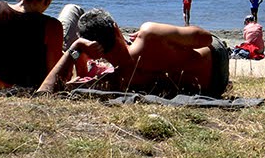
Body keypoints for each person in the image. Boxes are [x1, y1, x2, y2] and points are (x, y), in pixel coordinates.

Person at [36, 7, 229, 98]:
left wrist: (75, 49)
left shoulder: (114, 79)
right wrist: (168, 36)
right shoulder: (149, 33)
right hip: (216, 59)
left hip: (211, 88)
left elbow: (46, 92)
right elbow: (206, 38)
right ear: (115, 27)